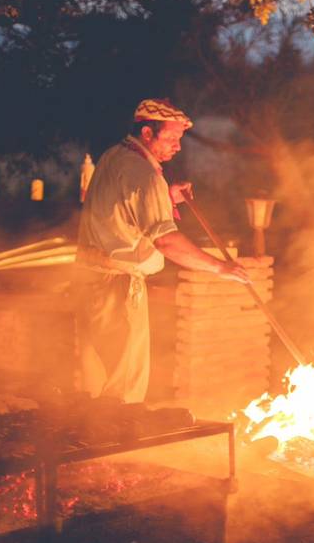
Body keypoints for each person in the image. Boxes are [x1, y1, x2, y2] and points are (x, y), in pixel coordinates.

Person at [75, 98, 251, 403]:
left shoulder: (114, 157)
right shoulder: (144, 175)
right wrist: (222, 268)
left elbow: (122, 209)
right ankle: (116, 442)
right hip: (117, 289)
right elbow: (166, 241)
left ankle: (95, 435)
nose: (177, 147)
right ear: (146, 133)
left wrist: (165, 198)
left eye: (179, 139)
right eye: (170, 138)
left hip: (92, 281)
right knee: (122, 385)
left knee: (99, 379)